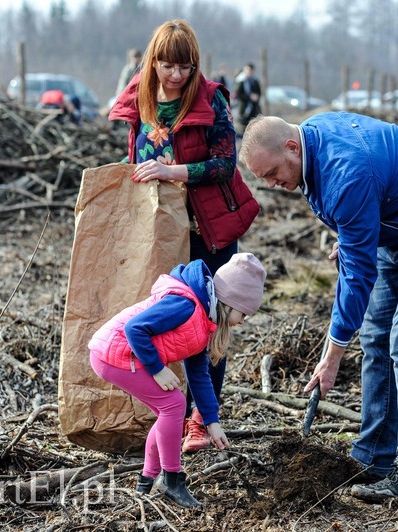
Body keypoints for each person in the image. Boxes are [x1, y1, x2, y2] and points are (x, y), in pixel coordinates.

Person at [239, 113, 398, 503]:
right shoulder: (312, 145)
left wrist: (332, 355)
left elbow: (356, 277)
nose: (273, 185)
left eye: (272, 173)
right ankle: (374, 459)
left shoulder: (346, 172)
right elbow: (357, 222)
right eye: (264, 180)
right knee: (375, 336)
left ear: (291, 147)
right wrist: (358, 234)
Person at [108, 19, 260, 453]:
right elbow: (137, 156)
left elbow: (225, 164)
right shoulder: (141, 99)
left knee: (210, 327)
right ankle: (162, 411)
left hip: (207, 231)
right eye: (168, 65)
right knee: (166, 320)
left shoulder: (211, 99)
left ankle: (200, 419)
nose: (176, 75)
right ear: (153, 61)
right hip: (159, 233)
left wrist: (173, 171)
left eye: (185, 67)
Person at [88, 254, 267, 507]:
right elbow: (135, 329)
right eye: (244, 313)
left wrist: (211, 421)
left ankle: (146, 482)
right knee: (173, 405)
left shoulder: (205, 321)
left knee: (168, 411)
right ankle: (171, 481)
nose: (241, 322)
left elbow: (199, 375)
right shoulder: (185, 306)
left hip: (123, 354)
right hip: (114, 353)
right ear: (230, 301)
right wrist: (158, 369)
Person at [234, 63, 261, 131]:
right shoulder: (241, 80)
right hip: (244, 108)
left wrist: (256, 97)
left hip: (254, 108)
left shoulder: (255, 80)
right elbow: (238, 94)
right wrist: (249, 97)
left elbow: (259, 92)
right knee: (244, 128)